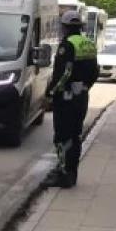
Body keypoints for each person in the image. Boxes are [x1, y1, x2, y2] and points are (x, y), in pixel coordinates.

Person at [43, 11, 99, 188]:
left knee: (62, 137)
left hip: (66, 98)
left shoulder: (67, 45)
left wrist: (51, 92)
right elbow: (95, 71)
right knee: (75, 136)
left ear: (65, 27)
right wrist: (85, 87)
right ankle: (72, 172)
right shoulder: (89, 44)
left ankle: (63, 174)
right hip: (81, 96)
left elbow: (64, 73)